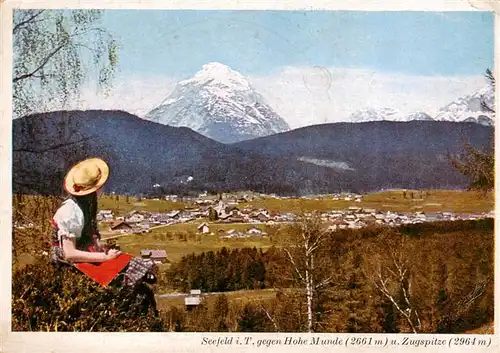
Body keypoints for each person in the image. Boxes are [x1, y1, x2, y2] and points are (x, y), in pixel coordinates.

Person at [50, 157, 159, 316]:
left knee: (134, 266)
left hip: (84, 254)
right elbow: (69, 253)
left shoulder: (84, 205)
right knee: (132, 283)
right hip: (69, 262)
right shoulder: (70, 211)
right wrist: (104, 257)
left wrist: (102, 249)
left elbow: (85, 239)